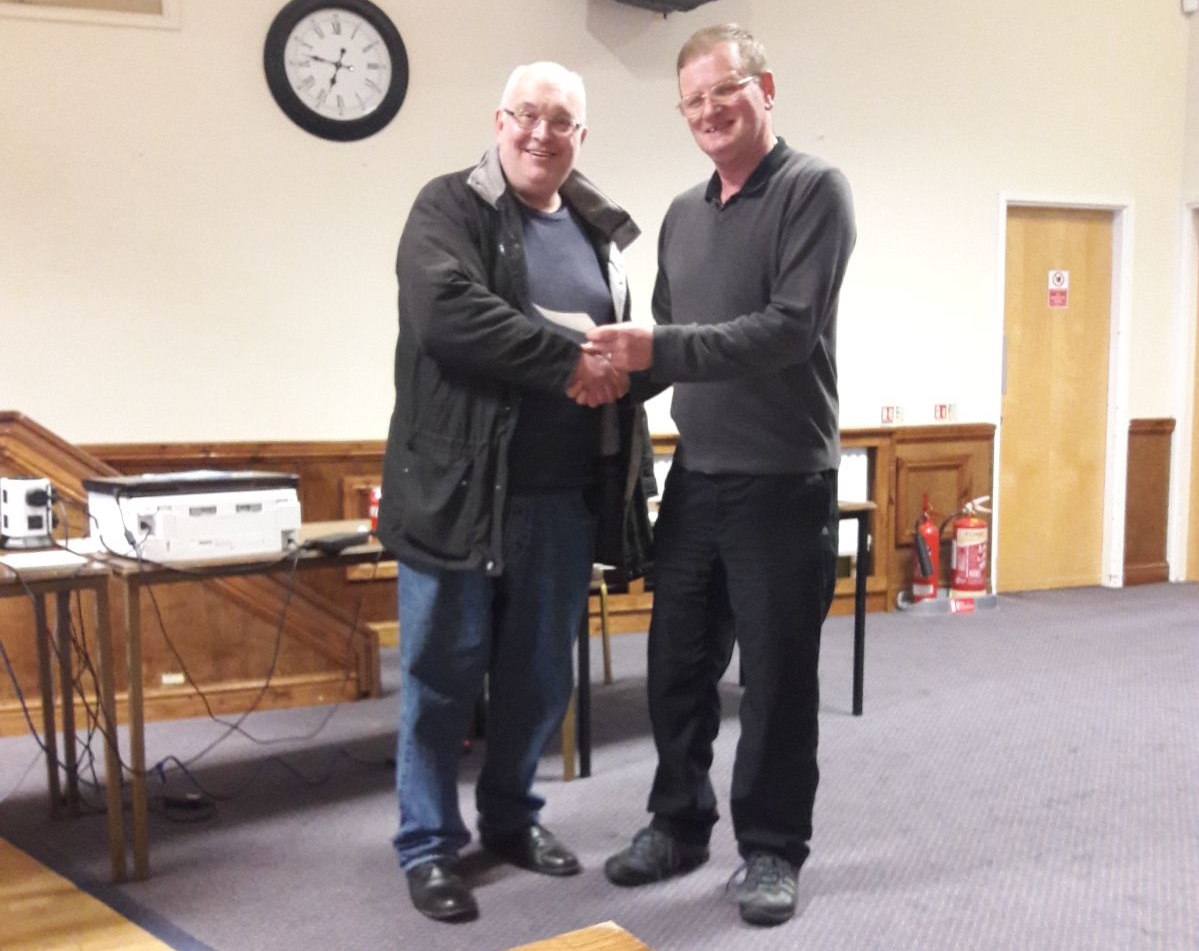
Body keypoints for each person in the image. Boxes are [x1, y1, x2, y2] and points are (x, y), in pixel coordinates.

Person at [586, 24, 856, 927]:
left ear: (764, 87)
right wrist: (598, 369)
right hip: (696, 474)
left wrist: (657, 346)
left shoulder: (814, 190)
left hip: (783, 478)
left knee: (777, 678)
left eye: (722, 91)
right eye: (691, 100)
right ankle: (678, 822)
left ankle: (772, 847)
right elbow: (670, 353)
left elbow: (786, 329)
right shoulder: (681, 213)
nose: (707, 111)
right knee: (676, 667)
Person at [376, 61, 653, 923]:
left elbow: (617, 350)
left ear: (581, 136)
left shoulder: (596, 229)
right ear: (498, 121)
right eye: (526, 116)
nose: (542, 133)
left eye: (561, 121)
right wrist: (566, 358)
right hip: (457, 494)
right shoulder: (447, 207)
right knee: (441, 675)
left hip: (559, 496)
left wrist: (627, 366)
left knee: (537, 677)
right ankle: (427, 845)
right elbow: (446, 312)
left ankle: (508, 820)